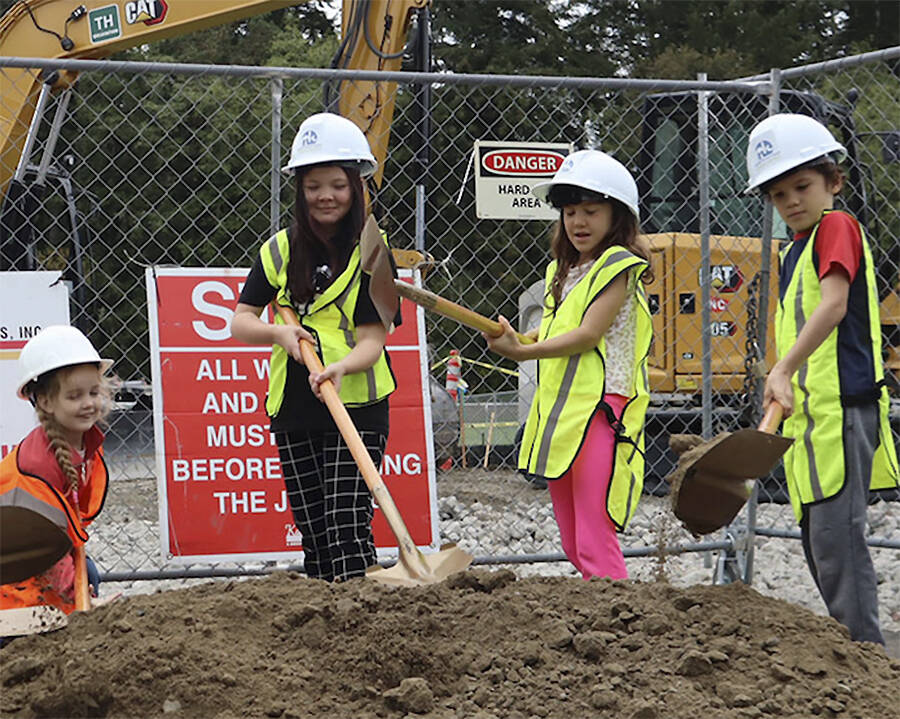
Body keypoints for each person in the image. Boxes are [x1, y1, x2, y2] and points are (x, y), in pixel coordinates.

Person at [746, 113, 899, 644]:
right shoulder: (794, 252)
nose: (791, 200)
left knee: (840, 542)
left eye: (803, 186)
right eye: (779, 192)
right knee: (818, 540)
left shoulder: (836, 228)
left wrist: (782, 367)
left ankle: (867, 657)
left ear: (833, 182)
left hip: (843, 413)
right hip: (810, 420)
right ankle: (846, 649)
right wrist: (782, 380)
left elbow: (834, 306)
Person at [230, 112, 397, 583]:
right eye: (314, 186)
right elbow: (240, 321)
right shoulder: (279, 251)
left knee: (347, 519)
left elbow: (373, 339)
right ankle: (328, 619)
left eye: (338, 185)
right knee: (315, 527)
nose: (326, 196)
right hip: (296, 404)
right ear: (300, 191)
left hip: (357, 399)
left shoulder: (373, 252)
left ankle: (357, 613)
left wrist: (341, 367)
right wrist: (279, 334)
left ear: (356, 187)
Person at [483, 150, 653, 580]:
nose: (578, 222)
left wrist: (522, 353)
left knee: (594, 533)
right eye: (570, 212)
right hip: (564, 411)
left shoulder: (617, 267)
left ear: (617, 216)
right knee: (572, 537)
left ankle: (619, 621)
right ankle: (595, 614)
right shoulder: (564, 269)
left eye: (591, 211)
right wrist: (520, 338)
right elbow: (558, 329)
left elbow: (587, 334)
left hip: (602, 408)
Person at [0, 325, 112, 615]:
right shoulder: (37, 468)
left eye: (94, 392)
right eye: (74, 396)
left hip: (35, 562)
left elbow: (66, 539)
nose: (89, 404)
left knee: (87, 570)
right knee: (84, 575)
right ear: (46, 401)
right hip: (12, 584)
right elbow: (42, 552)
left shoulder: (83, 442)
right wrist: (79, 607)